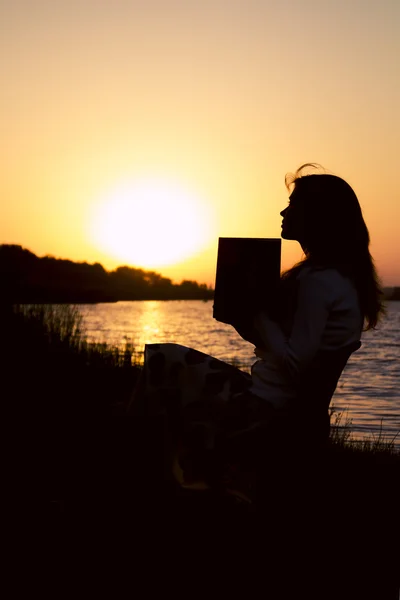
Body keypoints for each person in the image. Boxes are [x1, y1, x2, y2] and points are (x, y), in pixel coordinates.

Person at [127, 163, 385, 493]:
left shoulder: (320, 282)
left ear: (316, 216)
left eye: (292, 204)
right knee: (163, 369)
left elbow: (296, 365)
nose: (282, 210)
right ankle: (167, 478)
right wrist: (243, 320)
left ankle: (144, 477)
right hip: (272, 399)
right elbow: (283, 350)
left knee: (164, 365)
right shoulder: (333, 278)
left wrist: (260, 315)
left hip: (268, 408)